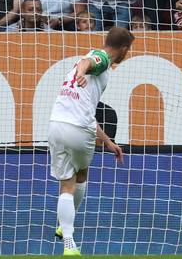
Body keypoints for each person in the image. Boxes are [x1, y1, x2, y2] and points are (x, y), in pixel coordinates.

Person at [49, 27, 134, 256]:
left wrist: (107, 141)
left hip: (56, 124)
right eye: (129, 50)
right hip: (79, 130)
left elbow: (86, 109)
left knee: (66, 183)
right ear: (124, 49)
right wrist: (82, 69)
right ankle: (68, 235)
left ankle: (66, 235)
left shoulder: (84, 59)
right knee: (81, 175)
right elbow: (92, 61)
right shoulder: (103, 58)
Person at [0, 0, 85, 31]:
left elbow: (80, 11)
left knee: (81, 24)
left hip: (65, 20)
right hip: (37, 19)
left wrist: (59, 20)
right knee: (3, 29)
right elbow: (17, 10)